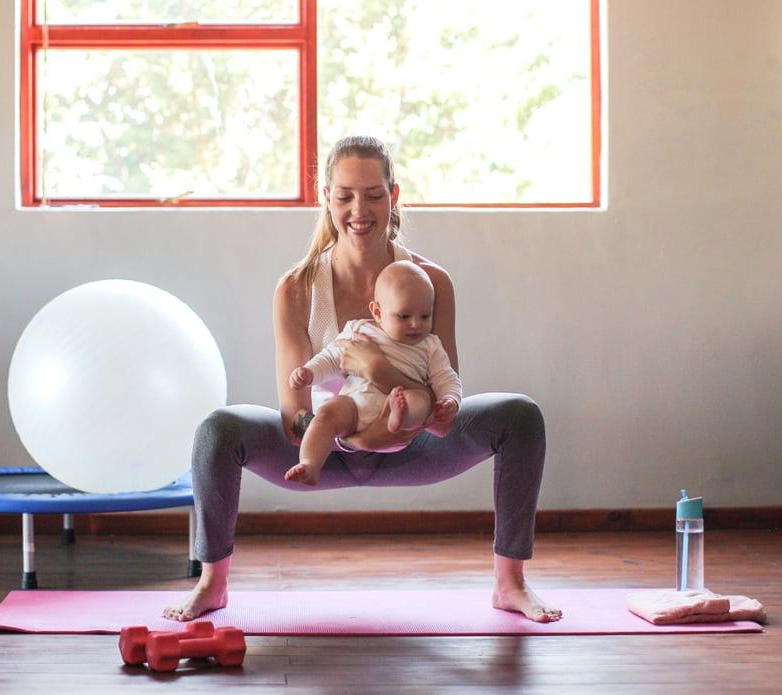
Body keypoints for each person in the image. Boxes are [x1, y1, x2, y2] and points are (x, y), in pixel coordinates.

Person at [163, 134, 561, 624]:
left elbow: (442, 411)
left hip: (412, 443)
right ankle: (212, 583)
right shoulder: (296, 288)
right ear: (325, 197)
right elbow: (294, 420)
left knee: (520, 416)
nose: (360, 209)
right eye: (346, 195)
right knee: (218, 429)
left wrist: (378, 373)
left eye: (374, 195)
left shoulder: (430, 281)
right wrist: (353, 432)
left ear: (394, 196)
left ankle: (510, 583)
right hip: (322, 451)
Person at [285, 260, 462, 486]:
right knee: (327, 414)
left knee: (421, 400)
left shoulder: (430, 346)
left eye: (425, 316)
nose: (416, 325)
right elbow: (331, 358)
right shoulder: (359, 330)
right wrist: (309, 372)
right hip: (354, 406)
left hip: (400, 406)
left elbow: (446, 378)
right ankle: (310, 463)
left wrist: (450, 400)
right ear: (377, 312)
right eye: (404, 316)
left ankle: (398, 417)